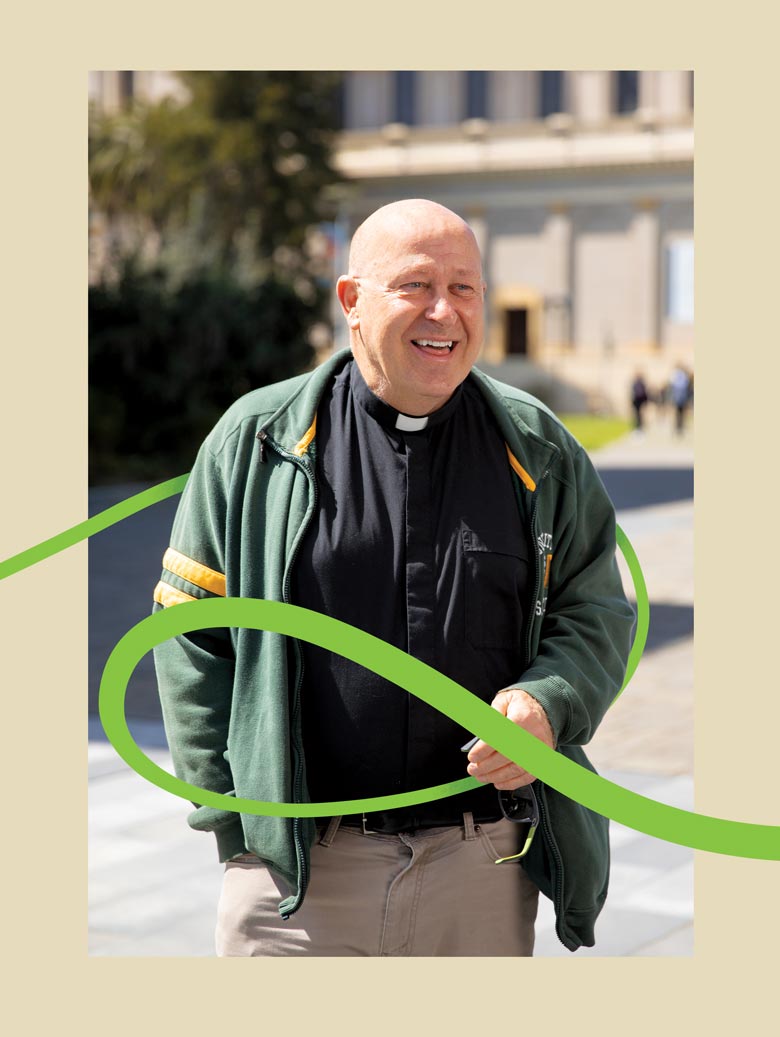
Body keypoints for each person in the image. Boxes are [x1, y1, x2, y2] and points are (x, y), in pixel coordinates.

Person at [152, 199, 634, 957]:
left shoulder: (540, 448)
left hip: (480, 871)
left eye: (466, 288)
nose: (446, 310)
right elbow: (187, 634)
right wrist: (242, 821)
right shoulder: (253, 440)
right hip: (301, 885)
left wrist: (550, 701)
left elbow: (596, 608)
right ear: (351, 300)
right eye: (416, 285)